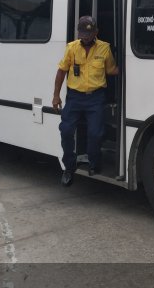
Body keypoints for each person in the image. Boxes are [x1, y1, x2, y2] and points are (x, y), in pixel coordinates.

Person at [52, 16, 118, 186]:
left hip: (95, 98)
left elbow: (111, 70)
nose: (85, 37)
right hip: (74, 97)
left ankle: (94, 163)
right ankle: (69, 166)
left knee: (95, 133)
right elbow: (61, 71)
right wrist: (56, 95)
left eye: (89, 33)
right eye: (82, 33)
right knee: (66, 131)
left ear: (96, 32)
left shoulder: (104, 48)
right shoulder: (71, 48)